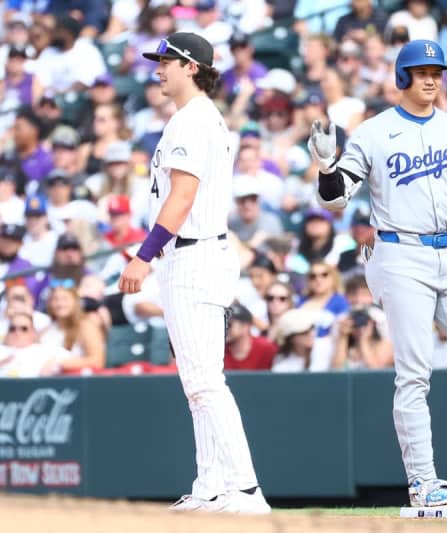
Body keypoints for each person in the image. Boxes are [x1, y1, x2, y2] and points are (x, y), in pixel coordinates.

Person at [309, 39, 447, 507]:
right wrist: (328, 166)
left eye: (437, 71)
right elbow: (334, 199)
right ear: (402, 77)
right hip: (398, 251)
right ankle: (421, 481)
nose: (431, 78)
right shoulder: (373, 132)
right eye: (421, 71)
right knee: (415, 373)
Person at [118, 32, 270, 514]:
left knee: (205, 381)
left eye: (167, 61)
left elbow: (180, 199)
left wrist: (144, 255)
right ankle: (210, 487)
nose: (158, 69)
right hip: (194, 255)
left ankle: (244, 489)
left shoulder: (193, 120)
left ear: (191, 66)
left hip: (193, 253)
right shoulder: (194, 118)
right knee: (198, 382)